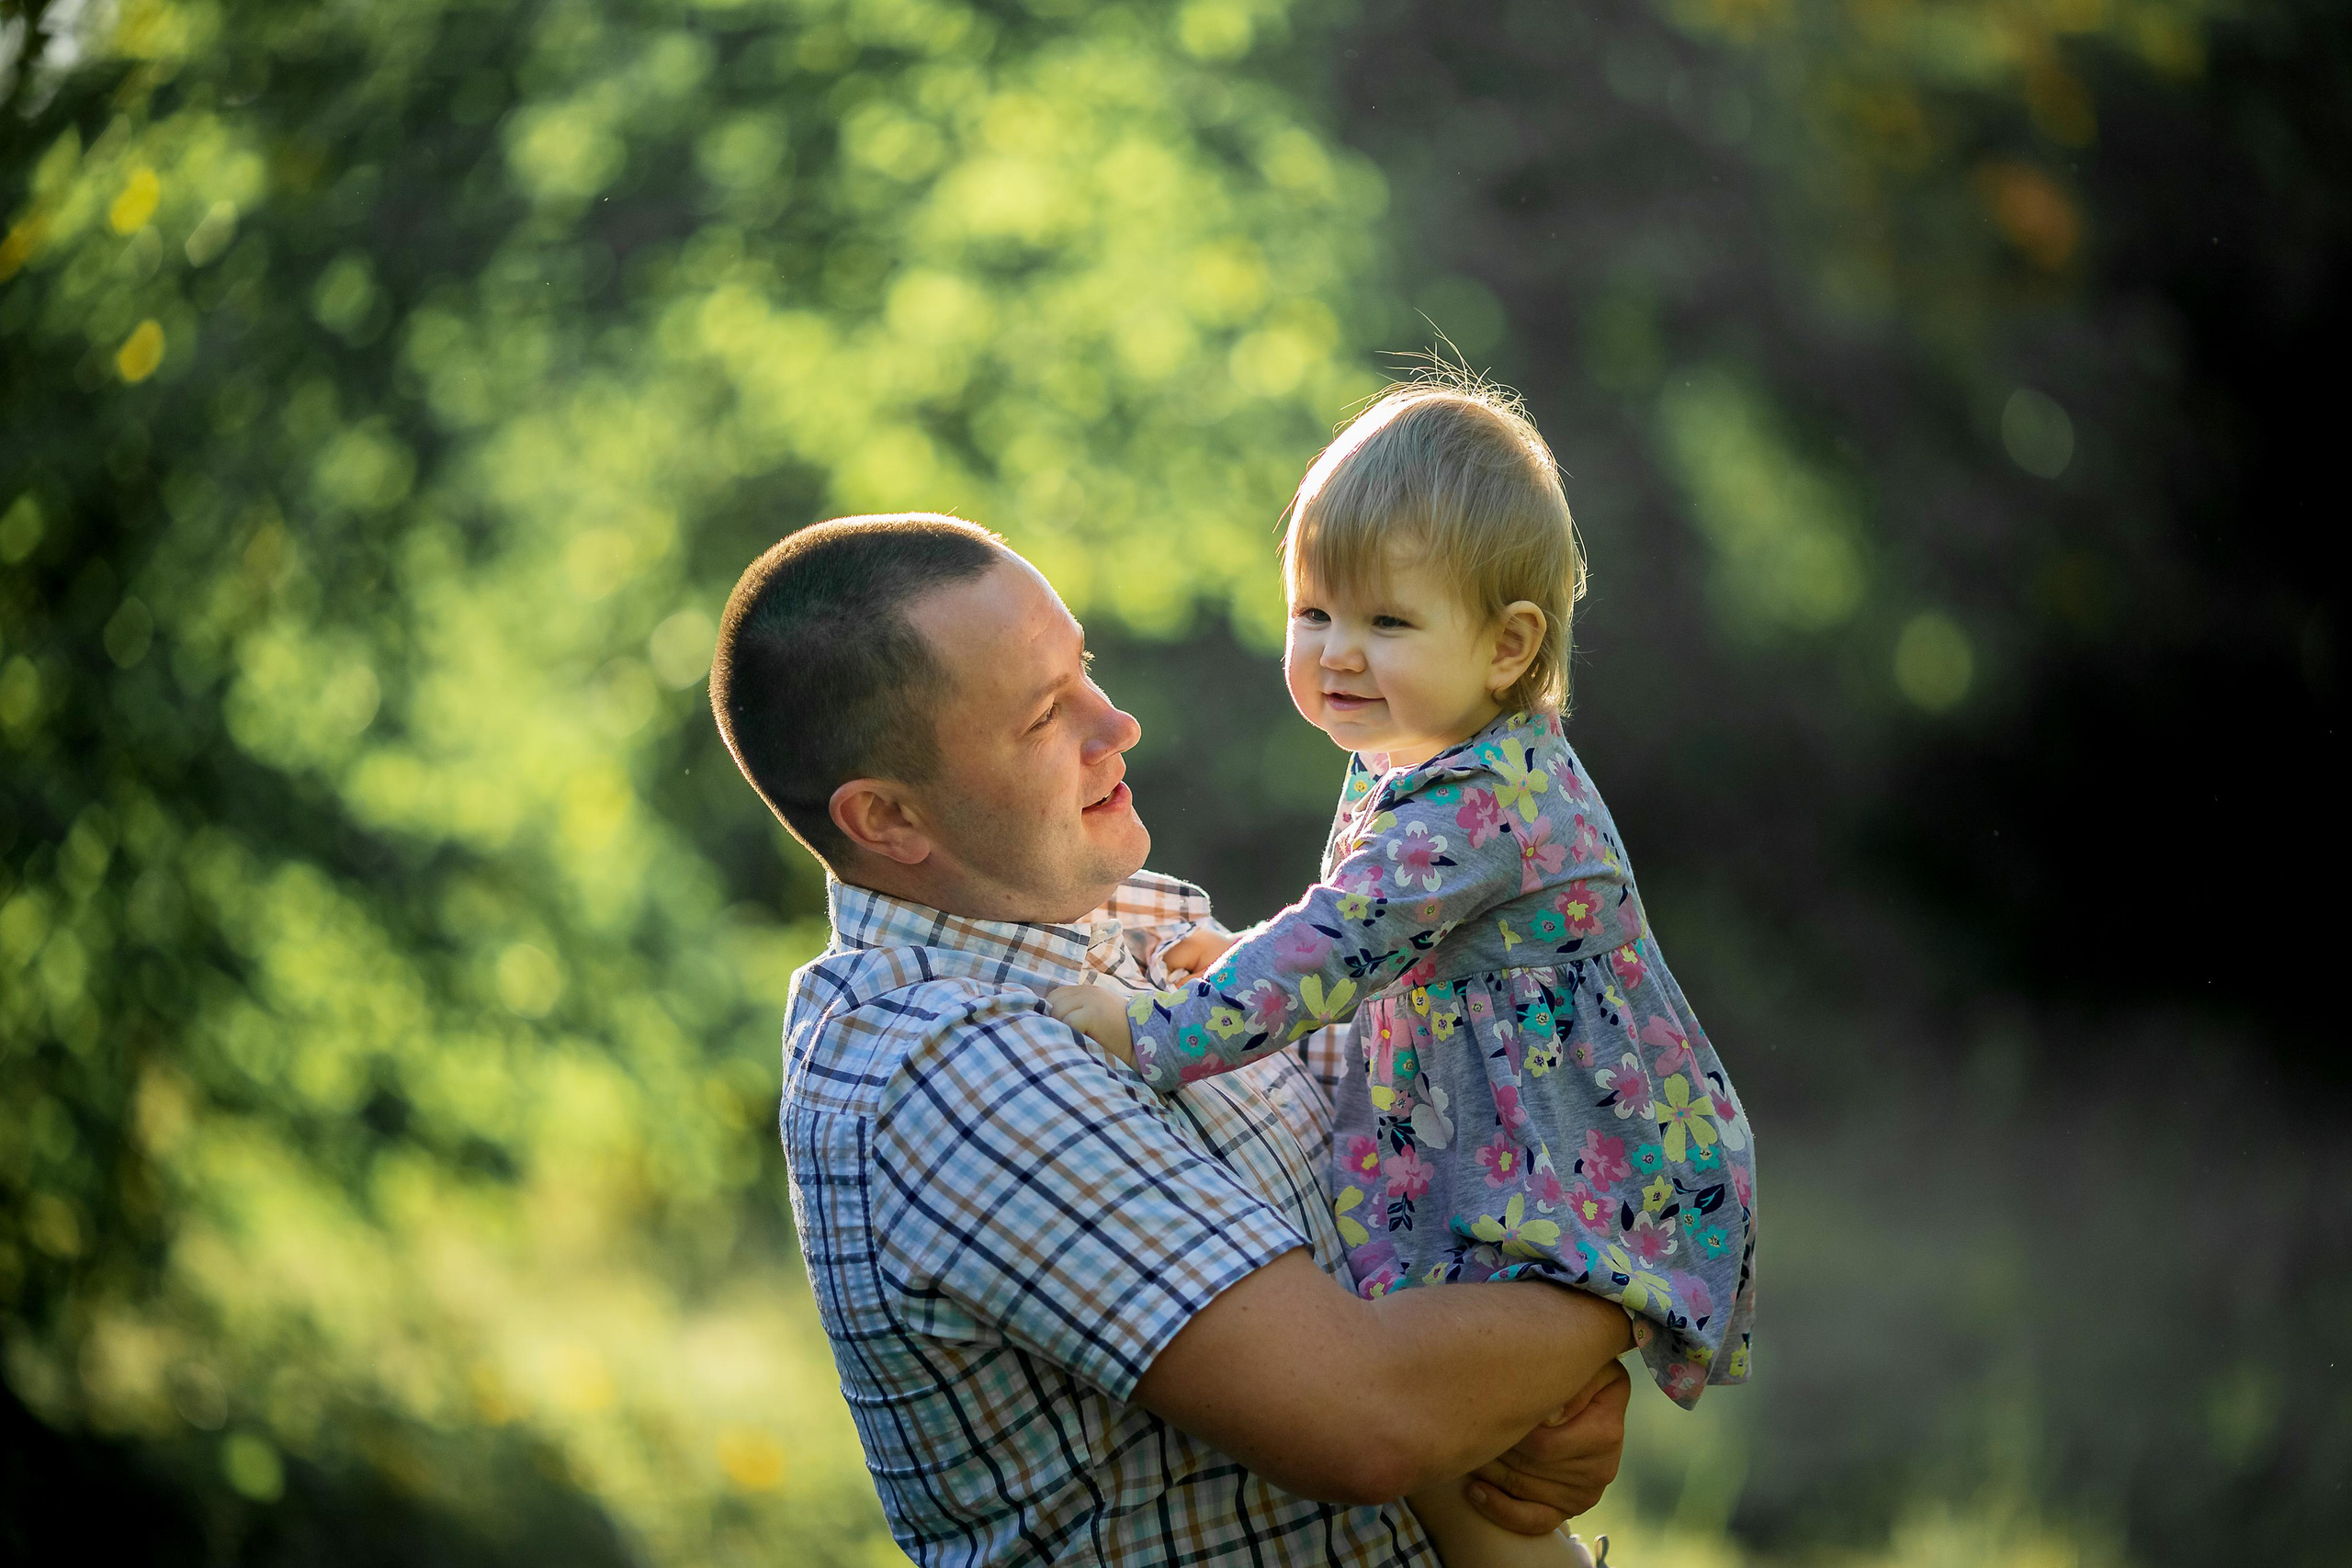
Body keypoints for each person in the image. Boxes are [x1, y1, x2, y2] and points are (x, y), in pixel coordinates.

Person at [709, 513, 1639, 1566]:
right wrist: (1634, 1288)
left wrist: (1539, 1405)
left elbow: (1419, 1142)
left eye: (1086, 670)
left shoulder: (1123, 927)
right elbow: (1367, 1422)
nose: (1118, 724)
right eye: (1043, 716)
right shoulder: (950, 1063)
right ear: (886, 819)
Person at [1047, 379, 1758, 1568]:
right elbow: (1358, 924)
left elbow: (1342, 945)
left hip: (1561, 1153)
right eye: (1313, 610)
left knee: (1455, 1450)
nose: (1337, 652)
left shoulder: (1482, 799)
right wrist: (1259, 951)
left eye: (1385, 621)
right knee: (1473, 1434)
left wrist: (1160, 1025)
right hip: (1498, 1128)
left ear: (1507, 643)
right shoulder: (1420, 750)